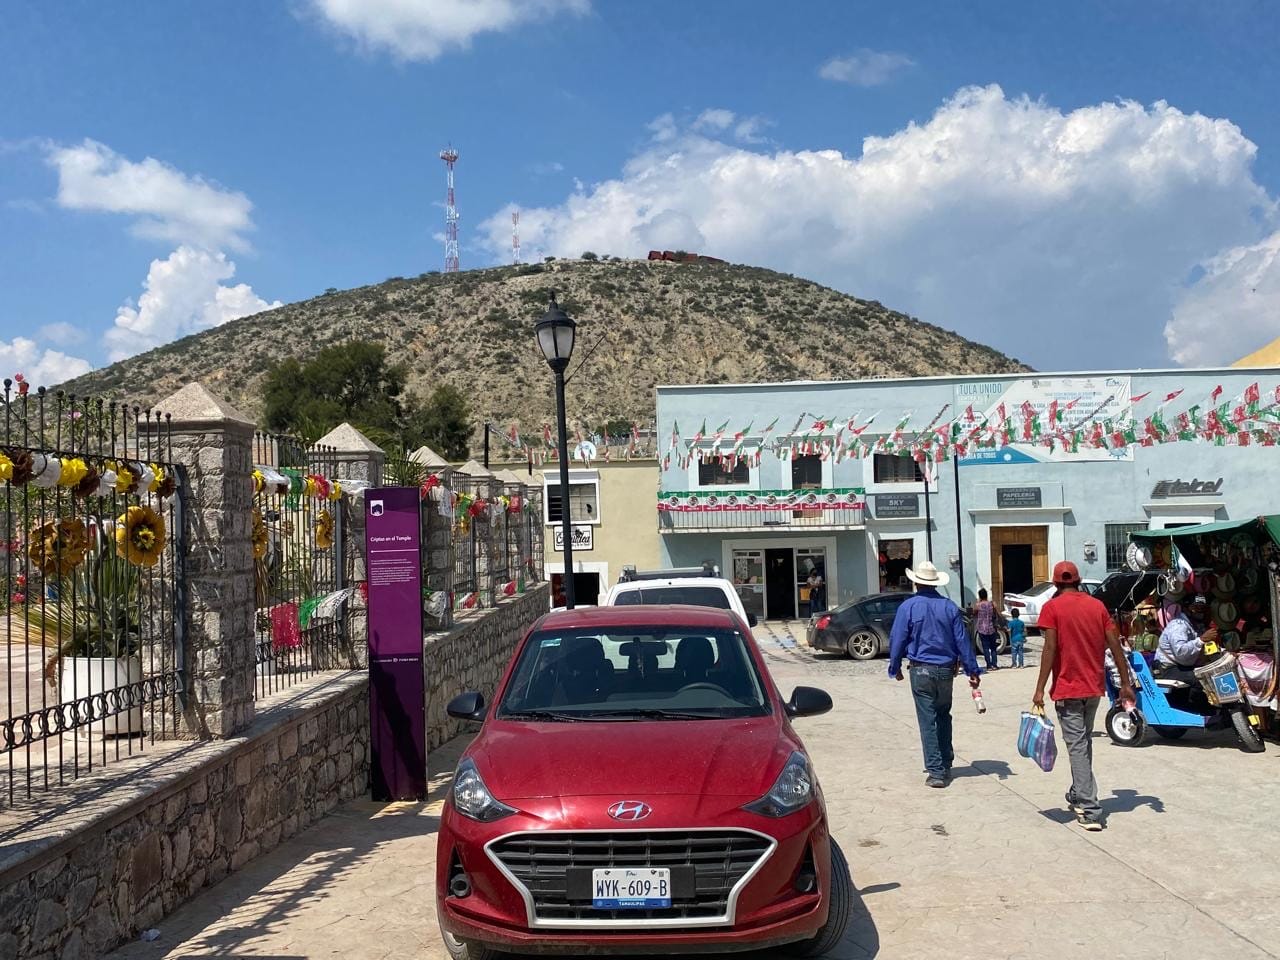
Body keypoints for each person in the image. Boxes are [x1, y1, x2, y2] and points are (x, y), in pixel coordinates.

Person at [1034, 561, 1134, 832]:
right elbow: (1115, 645)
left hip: (1068, 689)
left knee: (1077, 746)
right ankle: (1079, 791)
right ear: (1078, 581)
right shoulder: (1097, 607)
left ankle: (1090, 810)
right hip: (1093, 689)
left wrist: (1040, 688)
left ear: (1056, 584)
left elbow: (1049, 648)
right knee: (1083, 743)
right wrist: (1125, 683)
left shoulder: (1052, 608)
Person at [888, 560, 983, 789]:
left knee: (927, 720)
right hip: (946, 670)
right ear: (936, 583)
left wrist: (895, 667)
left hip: (920, 669)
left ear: (916, 583)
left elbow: (898, 638)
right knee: (943, 715)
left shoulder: (908, 607)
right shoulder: (950, 607)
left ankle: (936, 771)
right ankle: (946, 763)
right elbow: (962, 640)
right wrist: (972, 670)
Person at [1154, 594, 1218, 685]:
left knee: (1212, 674)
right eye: (1195, 608)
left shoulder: (1196, 625)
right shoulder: (1179, 625)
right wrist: (1201, 640)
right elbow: (1180, 652)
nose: (1200, 611)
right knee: (1201, 681)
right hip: (1168, 668)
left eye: (1202, 608)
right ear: (1186, 609)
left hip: (1184, 666)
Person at [973, 589, 1000, 670]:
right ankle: (994, 664)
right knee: (993, 648)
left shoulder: (978, 605)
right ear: (986, 595)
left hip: (982, 628)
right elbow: (997, 613)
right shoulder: (992, 604)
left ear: (980, 596)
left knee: (985, 648)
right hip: (992, 628)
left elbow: (974, 613)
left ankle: (989, 665)